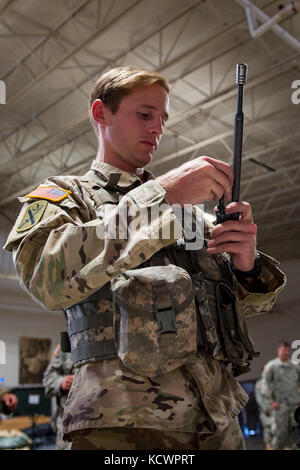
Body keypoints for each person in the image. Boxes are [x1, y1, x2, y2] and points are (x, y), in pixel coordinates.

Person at [3, 66, 286, 450]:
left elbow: (244, 307)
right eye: (144, 114)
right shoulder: (68, 197)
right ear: (101, 113)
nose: (158, 128)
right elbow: (45, 278)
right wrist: (161, 194)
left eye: (163, 118)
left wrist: (246, 266)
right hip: (121, 428)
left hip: (217, 422)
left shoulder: (189, 215)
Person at [262, 341, 300, 450]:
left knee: (297, 435)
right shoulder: (272, 366)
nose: (286, 352)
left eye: (288, 350)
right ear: (278, 350)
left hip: (295, 406)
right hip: (280, 407)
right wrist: (270, 402)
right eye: (284, 350)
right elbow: (265, 385)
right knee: (280, 436)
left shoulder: (295, 367)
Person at [43, 345, 74, 450]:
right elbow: (47, 380)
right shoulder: (66, 347)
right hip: (67, 426)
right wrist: (61, 382)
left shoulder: (120, 339)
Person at [254, 376, 274, 450]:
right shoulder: (260, 383)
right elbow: (259, 399)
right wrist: (266, 409)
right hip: (267, 413)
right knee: (268, 432)